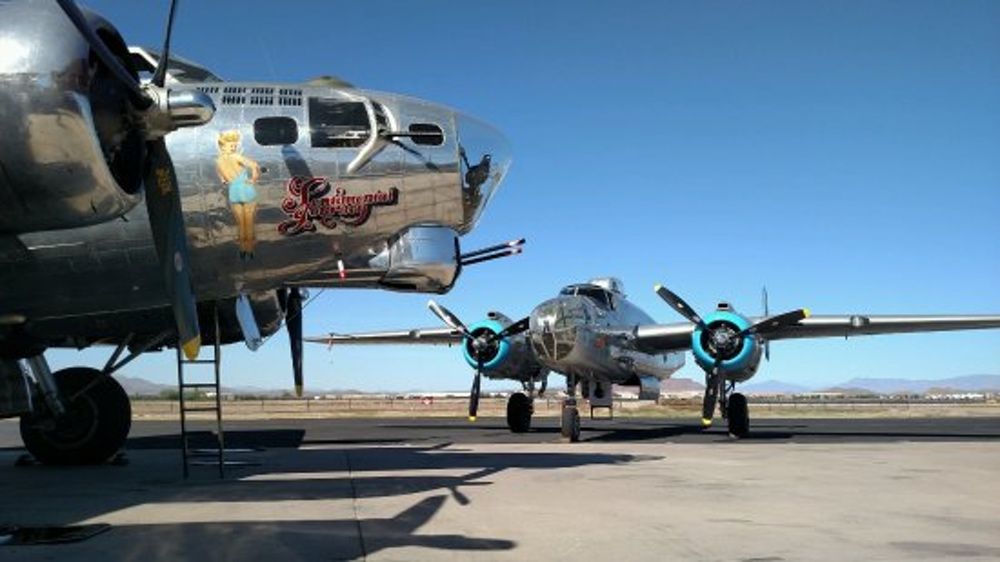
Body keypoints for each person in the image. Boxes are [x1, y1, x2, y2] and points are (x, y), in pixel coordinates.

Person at [215, 130, 261, 259]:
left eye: (235, 145)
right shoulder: (236, 157)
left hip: (234, 191)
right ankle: (250, 250)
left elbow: (221, 176)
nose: (234, 147)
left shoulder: (218, 160)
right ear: (223, 146)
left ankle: (242, 250)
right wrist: (253, 179)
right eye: (232, 145)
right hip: (246, 189)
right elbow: (254, 165)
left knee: (241, 224)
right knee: (249, 222)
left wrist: (224, 180)